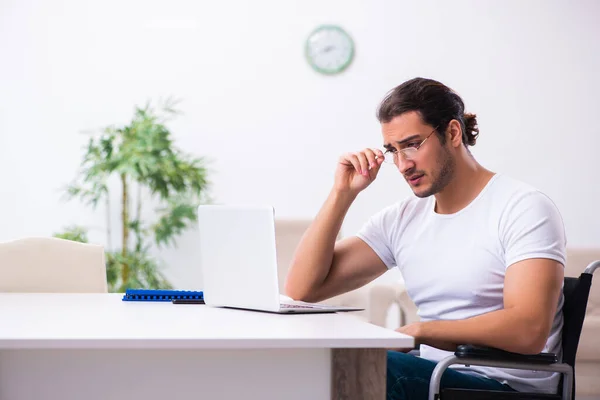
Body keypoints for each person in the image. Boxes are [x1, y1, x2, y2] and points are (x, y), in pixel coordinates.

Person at [284, 77, 566, 399]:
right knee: (332, 363)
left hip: (505, 388)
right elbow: (301, 290)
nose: (403, 164)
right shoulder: (402, 219)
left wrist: (422, 331)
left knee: (369, 367)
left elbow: (528, 328)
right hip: (434, 375)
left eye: (413, 144)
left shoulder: (522, 208)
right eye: (393, 150)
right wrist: (342, 194)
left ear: (453, 133)